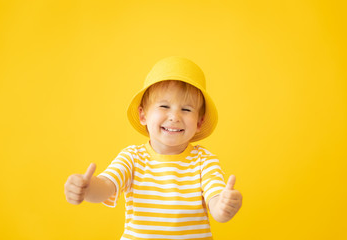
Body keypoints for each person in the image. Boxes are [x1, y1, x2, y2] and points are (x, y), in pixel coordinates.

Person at [64, 56, 243, 240]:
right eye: (164, 106)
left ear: (199, 121)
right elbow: (105, 187)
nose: (174, 117)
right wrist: (86, 189)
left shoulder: (204, 161)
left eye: (187, 109)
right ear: (143, 115)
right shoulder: (132, 158)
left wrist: (224, 206)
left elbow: (216, 203)